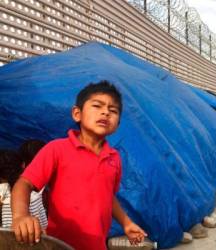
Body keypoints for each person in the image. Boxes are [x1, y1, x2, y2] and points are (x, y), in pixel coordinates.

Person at [11, 81, 147, 250]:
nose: (105, 112)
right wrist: (20, 216)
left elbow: (107, 195)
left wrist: (127, 223)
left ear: (117, 124)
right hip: (59, 246)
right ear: (77, 113)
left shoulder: (114, 158)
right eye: (97, 106)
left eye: (113, 110)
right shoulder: (57, 149)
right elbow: (24, 183)